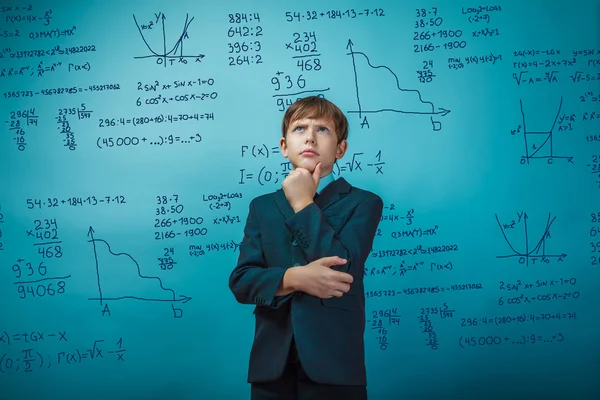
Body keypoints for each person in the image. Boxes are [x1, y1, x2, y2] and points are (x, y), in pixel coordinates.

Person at [229, 96, 383, 399]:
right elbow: (242, 281)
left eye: (322, 130)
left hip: (336, 366)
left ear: (341, 148)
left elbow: (343, 266)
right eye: (300, 128)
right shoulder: (262, 207)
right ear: (285, 145)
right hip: (271, 368)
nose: (310, 137)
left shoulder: (363, 202)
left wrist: (302, 202)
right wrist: (293, 279)